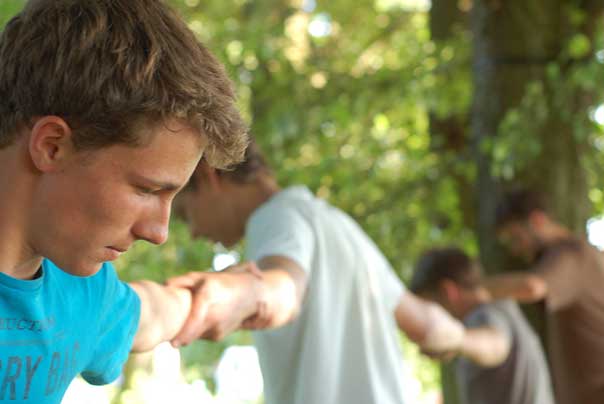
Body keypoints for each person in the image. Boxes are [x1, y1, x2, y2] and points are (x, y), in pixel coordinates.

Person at [0, 0, 248, 402]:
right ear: (52, 146)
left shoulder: (84, 295)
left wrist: (245, 291)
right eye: (147, 190)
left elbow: (154, 313)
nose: (158, 232)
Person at [172, 140, 467, 404]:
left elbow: (285, 285)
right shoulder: (339, 225)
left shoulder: (272, 218)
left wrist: (239, 292)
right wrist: (473, 340)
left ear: (208, 175)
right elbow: (429, 326)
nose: (194, 232)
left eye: (186, 214)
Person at [482, 189, 604, 404]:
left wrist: (472, 290)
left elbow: (532, 287)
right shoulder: (583, 255)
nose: (515, 249)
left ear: (537, 220)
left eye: (515, 237)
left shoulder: (570, 253)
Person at [410, 247, 555, 404]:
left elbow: (496, 343)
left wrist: (457, 339)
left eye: (431, 306)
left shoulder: (485, 314)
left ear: (448, 291)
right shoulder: (501, 308)